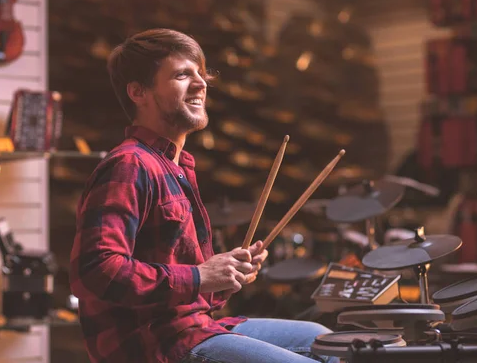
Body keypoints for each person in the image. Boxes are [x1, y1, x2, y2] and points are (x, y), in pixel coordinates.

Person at [69, 28, 338, 363]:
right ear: (138, 92)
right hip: (153, 345)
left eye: (201, 73)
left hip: (193, 326)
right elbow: (96, 271)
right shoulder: (130, 164)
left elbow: (179, 287)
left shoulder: (174, 166)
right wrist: (200, 276)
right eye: (183, 74)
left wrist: (222, 278)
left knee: (326, 340)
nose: (201, 84)